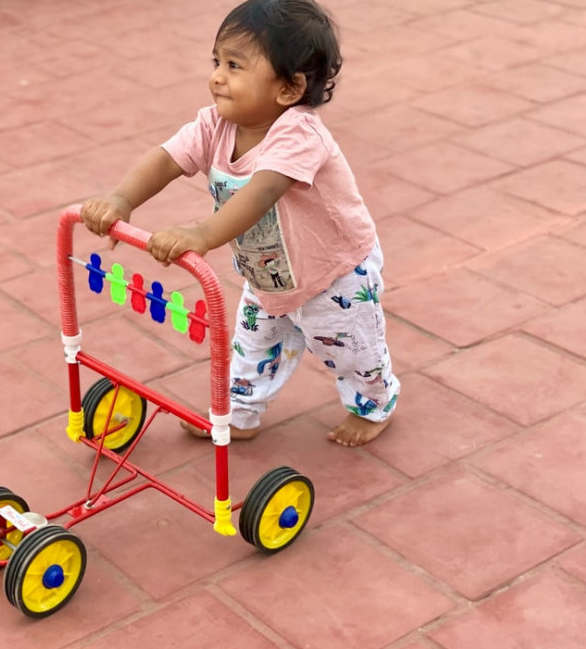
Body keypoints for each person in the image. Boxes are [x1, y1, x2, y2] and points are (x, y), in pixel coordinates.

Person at [80, 0, 399, 447]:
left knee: (348, 349)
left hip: (335, 273)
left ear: (289, 89)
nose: (216, 76)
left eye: (234, 65)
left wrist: (202, 234)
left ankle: (374, 403)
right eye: (216, 61)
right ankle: (242, 411)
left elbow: (262, 191)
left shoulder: (299, 135)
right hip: (269, 274)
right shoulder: (214, 124)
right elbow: (167, 158)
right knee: (253, 344)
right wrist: (122, 198)